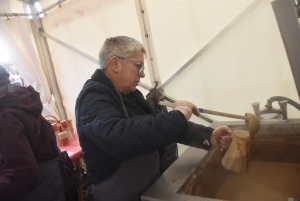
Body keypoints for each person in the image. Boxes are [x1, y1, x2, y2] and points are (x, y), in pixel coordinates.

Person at [75, 36, 232, 201]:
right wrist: (178, 115)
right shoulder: (92, 97)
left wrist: (209, 136)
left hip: (148, 189)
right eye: (138, 66)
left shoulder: (131, 94)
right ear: (115, 64)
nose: (142, 74)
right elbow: (119, 138)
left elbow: (162, 126)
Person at [0, 65, 77, 201]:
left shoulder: (5, 114)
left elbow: (23, 175)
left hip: (45, 190)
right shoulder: (16, 93)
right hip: (58, 181)